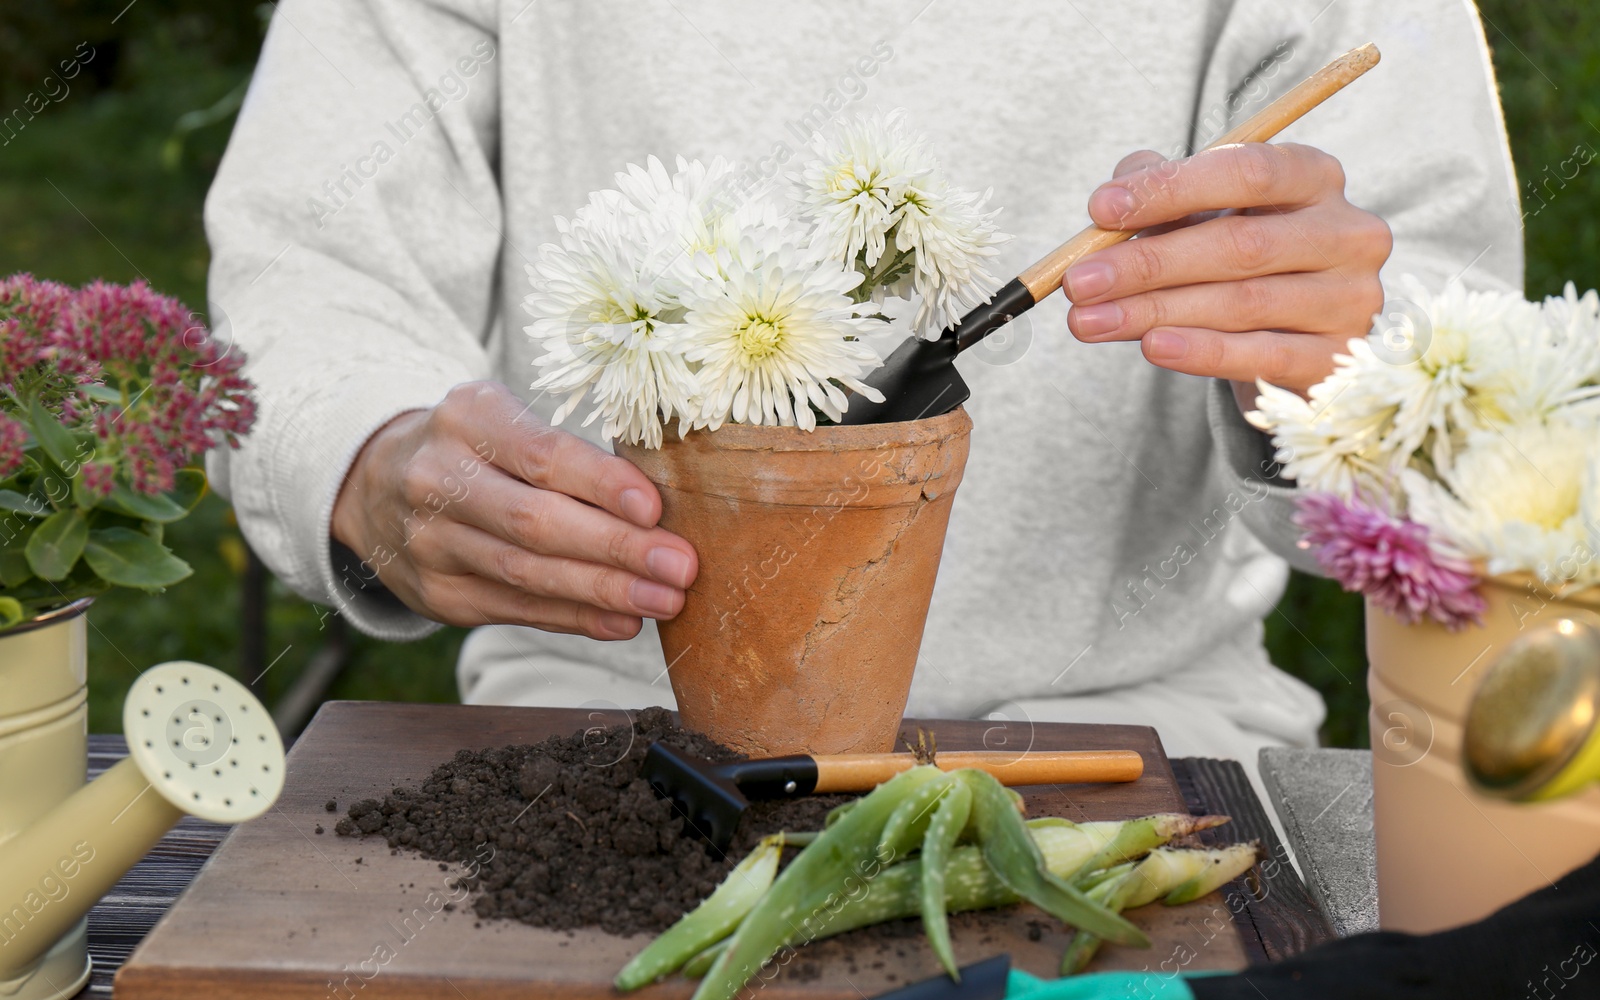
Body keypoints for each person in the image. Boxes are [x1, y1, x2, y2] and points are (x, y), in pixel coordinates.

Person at [204, 0, 1521, 803]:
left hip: (1138, 755)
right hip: (592, 743)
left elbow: (1482, 402)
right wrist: (370, 460)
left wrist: (1344, 364)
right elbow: (310, 273)